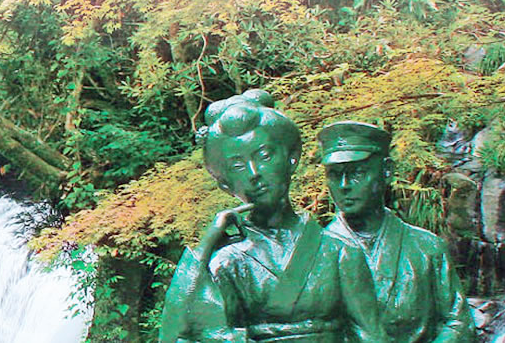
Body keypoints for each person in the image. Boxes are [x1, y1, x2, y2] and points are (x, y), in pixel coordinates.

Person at [160, 91, 385, 343]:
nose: (254, 173)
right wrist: (206, 245)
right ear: (225, 185)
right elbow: (177, 334)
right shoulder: (226, 262)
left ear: (292, 158)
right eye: (237, 165)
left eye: (264, 156)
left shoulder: (339, 251)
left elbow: (370, 336)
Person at [319, 121, 473, 343]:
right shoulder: (313, 253)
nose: (343, 185)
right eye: (334, 174)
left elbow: (459, 323)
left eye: (357, 173)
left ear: (387, 171)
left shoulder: (427, 248)